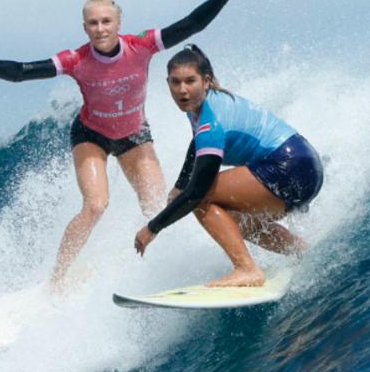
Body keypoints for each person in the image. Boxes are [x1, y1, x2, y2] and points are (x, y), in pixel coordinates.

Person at [0, 0, 255, 292]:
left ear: (119, 23)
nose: (100, 28)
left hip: (134, 135)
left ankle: (156, 270)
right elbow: (22, 72)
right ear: (85, 28)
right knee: (95, 205)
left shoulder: (143, 46)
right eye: (93, 23)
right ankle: (57, 279)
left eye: (106, 21)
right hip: (91, 134)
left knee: (158, 208)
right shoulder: (75, 60)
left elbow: (192, 24)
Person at [133, 45, 324, 288]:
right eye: (175, 82)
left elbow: (197, 191)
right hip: (306, 166)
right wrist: (180, 185)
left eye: (190, 81)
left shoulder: (211, 121)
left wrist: (152, 228)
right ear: (167, 83)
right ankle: (300, 250)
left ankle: (247, 269)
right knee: (231, 221)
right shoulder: (202, 105)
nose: (182, 90)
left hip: (288, 167)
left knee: (201, 200)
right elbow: (196, 146)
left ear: (206, 81)